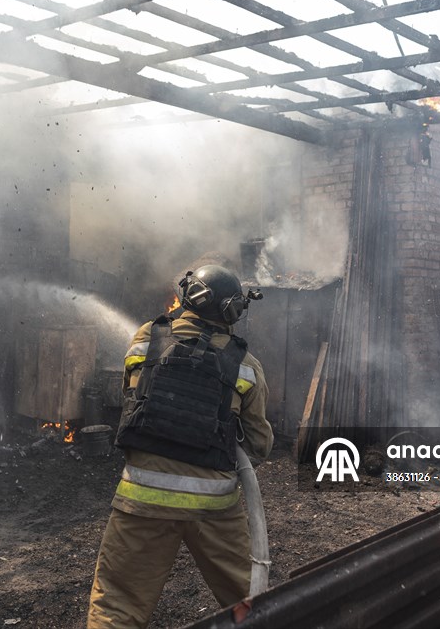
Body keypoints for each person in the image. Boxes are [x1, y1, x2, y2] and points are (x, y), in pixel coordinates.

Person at [87, 264, 272, 629]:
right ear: (232, 311)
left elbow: (133, 393)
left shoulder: (146, 337)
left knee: (117, 607)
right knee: (250, 601)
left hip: (143, 500)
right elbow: (260, 444)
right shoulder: (247, 366)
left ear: (187, 295)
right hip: (214, 506)